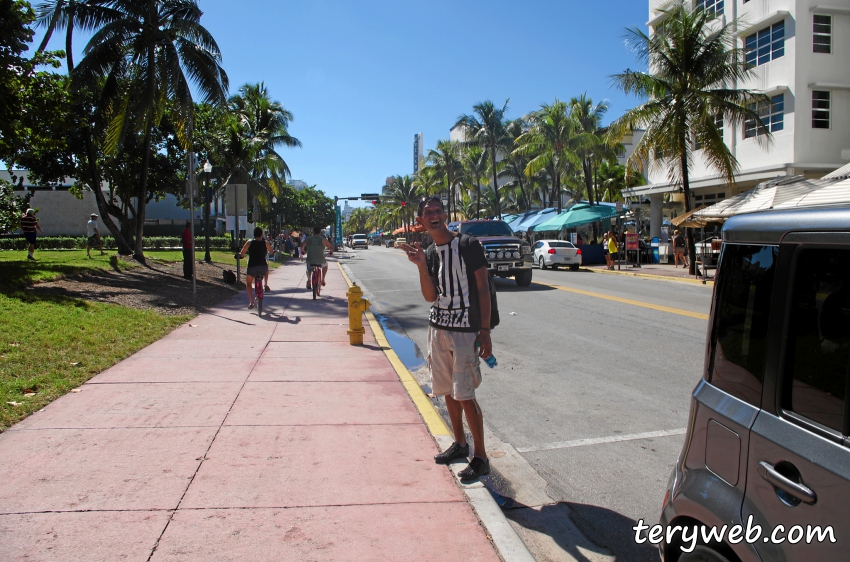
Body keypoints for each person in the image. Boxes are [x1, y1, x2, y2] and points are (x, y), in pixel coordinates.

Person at [399, 195, 492, 482]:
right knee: (447, 391)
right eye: (429, 212)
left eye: (439, 210)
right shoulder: (428, 253)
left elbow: (483, 289)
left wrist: (485, 331)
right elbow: (430, 297)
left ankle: (481, 457)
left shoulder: (467, 245)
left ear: (445, 215)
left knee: (465, 394)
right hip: (438, 327)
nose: (435, 215)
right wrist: (419, 265)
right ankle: (460, 444)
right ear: (420, 220)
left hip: (465, 331)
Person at [238, 227, 274, 309]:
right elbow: (271, 251)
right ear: (262, 234)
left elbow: (242, 253)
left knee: (249, 283)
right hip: (262, 267)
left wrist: (240, 255)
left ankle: (251, 302)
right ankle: (265, 284)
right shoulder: (265, 242)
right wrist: (272, 252)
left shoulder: (249, 242)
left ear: (254, 234)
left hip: (252, 267)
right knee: (266, 268)